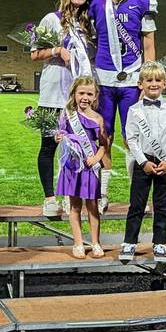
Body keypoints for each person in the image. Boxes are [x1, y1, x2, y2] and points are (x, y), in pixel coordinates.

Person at [87, 0, 157, 213]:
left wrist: (146, 80)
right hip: (104, 81)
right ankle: (102, 193)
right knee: (104, 136)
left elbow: (149, 45)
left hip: (132, 80)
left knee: (133, 138)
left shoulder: (142, 2)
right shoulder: (95, 5)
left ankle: (136, 195)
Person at [32, 0, 96, 216]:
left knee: (78, 147)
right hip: (52, 92)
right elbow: (35, 54)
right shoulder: (51, 19)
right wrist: (58, 50)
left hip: (79, 96)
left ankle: (71, 196)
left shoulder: (88, 24)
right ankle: (49, 198)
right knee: (49, 147)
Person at [119, 62, 166, 262]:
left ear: (164, 83)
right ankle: (129, 242)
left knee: (162, 205)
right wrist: (142, 162)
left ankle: (160, 242)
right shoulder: (134, 110)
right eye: (149, 80)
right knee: (137, 204)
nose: (153, 84)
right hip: (143, 163)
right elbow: (131, 139)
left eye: (157, 80)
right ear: (140, 84)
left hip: (165, 164)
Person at [54, 76, 107, 259]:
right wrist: (59, 137)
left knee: (92, 206)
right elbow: (59, 133)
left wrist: (97, 159)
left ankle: (95, 243)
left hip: (89, 165)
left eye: (89, 94)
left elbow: (103, 145)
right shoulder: (67, 113)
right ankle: (78, 243)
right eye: (81, 93)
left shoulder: (98, 118)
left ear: (95, 96)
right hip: (72, 164)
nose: (85, 97)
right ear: (74, 94)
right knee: (75, 205)